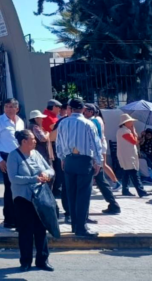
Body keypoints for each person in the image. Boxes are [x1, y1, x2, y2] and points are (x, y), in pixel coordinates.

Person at [8, 129, 54, 272]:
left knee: (41, 229)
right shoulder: (13, 156)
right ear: (24, 141)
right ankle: (25, 261)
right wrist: (33, 179)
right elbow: (13, 178)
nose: (35, 141)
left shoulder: (37, 154)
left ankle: (42, 260)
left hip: (39, 198)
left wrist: (46, 174)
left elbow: (51, 170)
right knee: (26, 231)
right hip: (23, 199)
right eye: (32, 139)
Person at [55, 98, 102, 237]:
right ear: (82, 109)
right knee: (83, 194)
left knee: (71, 193)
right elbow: (96, 144)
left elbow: (59, 143)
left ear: (70, 108)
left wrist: (62, 158)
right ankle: (81, 227)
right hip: (84, 159)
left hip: (69, 159)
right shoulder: (88, 123)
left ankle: (75, 225)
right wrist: (98, 161)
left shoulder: (63, 122)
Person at [0, 98, 26, 229]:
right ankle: (9, 219)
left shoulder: (20, 121)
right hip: (6, 156)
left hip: (19, 157)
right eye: (6, 106)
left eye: (11, 106)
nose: (9, 109)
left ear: (17, 108)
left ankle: (19, 217)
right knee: (10, 188)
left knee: (19, 188)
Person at [83, 104, 121, 215]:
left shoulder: (93, 122)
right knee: (101, 179)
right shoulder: (96, 120)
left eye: (85, 110)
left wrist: (96, 158)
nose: (83, 112)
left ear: (90, 111)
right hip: (95, 153)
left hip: (93, 155)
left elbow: (95, 140)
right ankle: (113, 204)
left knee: (97, 179)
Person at [115, 114, 149, 198]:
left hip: (127, 155)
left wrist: (133, 132)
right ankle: (141, 191)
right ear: (125, 123)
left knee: (126, 173)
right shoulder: (124, 131)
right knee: (134, 173)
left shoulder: (125, 130)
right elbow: (134, 141)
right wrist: (133, 132)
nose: (132, 123)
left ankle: (125, 190)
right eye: (130, 121)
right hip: (127, 156)